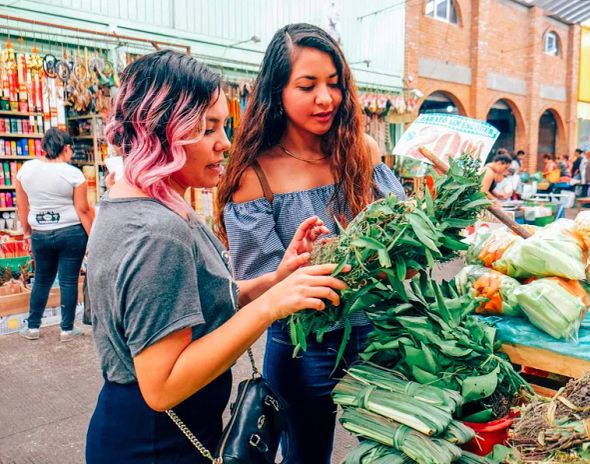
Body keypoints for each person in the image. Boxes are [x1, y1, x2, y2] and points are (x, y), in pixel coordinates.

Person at [85, 50, 349, 463]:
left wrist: (275, 280)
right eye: (208, 128)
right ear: (163, 129)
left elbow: (197, 300)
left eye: (223, 125)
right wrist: (269, 309)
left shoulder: (141, 201)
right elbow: (162, 386)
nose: (225, 142)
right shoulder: (157, 232)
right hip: (158, 443)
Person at [214, 24, 405, 464]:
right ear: (276, 90)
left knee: (390, 453)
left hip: (380, 336)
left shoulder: (362, 151)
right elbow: (255, 288)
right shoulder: (254, 175)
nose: (326, 98)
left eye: (334, 85)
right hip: (303, 351)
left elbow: (401, 243)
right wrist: (292, 270)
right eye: (308, 85)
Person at [15, 128, 92, 342]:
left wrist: (27, 232)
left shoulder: (26, 170)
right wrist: (92, 238)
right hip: (72, 233)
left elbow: (22, 205)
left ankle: (32, 327)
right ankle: (67, 329)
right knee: (68, 280)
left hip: (40, 232)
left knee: (41, 279)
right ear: (66, 148)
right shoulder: (74, 174)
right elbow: (83, 210)